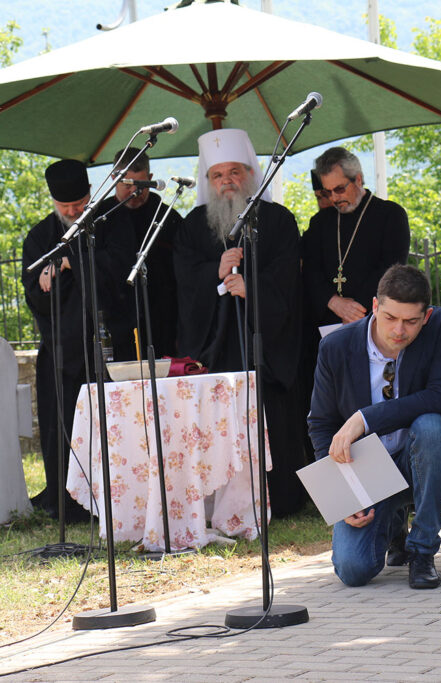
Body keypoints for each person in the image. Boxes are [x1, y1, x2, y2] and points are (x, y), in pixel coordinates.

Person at [173, 128, 308, 517]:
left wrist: (251, 289)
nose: (227, 181)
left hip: (264, 345)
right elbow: (183, 281)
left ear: (250, 174)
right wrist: (213, 273)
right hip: (215, 348)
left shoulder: (279, 221)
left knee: (271, 420)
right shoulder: (193, 225)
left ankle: (278, 500)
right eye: (218, 175)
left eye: (234, 172)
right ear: (208, 181)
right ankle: (221, 504)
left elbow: (288, 280)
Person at [308, 265, 441, 589]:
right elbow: (321, 423)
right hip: (368, 468)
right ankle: (394, 526)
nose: (399, 330)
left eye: (411, 321)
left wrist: (364, 418)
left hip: (418, 457)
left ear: (427, 315)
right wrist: (343, 494)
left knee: (433, 427)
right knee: (353, 570)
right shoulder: (335, 348)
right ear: (375, 306)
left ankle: (422, 551)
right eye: (390, 317)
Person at [21, 159, 134, 520]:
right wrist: (45, 281)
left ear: (89, 194)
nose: (73, 212)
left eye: (79, 204)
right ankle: (70, 504)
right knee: (66, 428)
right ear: (53, 202)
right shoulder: (39, 237)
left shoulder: (111, 224)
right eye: (65, 207)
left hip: (108, 347)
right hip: (62, 353)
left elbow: (121, 272)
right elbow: (33, 296)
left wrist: (72, 260)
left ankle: (118, 497)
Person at [301, 147, 410, 330]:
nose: (334, 198)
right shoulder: (320, 222)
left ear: (358, 179)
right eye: (328, 192)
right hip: (326, 323)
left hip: (374, 319)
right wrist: (334, 302)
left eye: (339, 189)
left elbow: (391, 268)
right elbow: (310, 270)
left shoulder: (390, 215)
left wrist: (354, 310)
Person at [96, 146, 182, 359]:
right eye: (127, 184)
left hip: (162, 322)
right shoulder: (99, 218)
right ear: (114, 178)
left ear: (151, 178)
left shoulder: (167, 217)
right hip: (115, 324)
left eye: (141, 185)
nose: (134, 191)